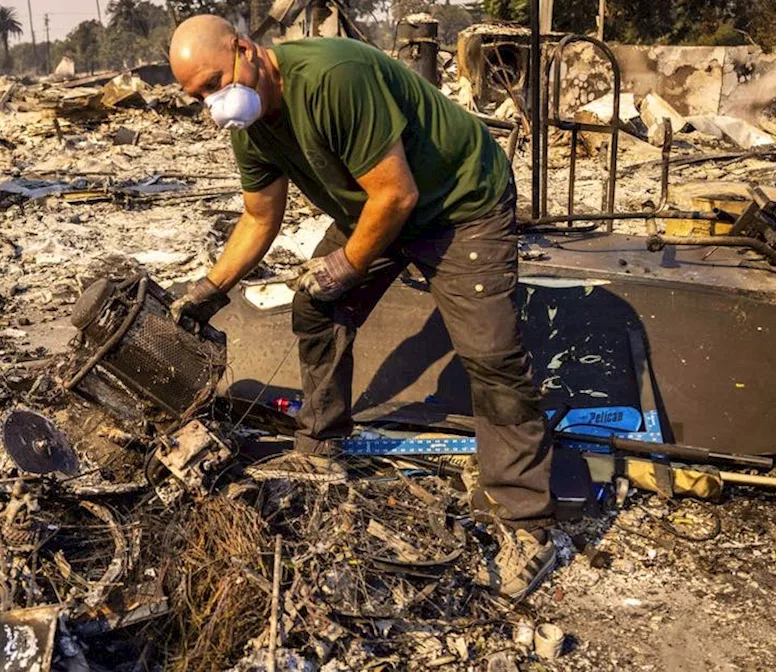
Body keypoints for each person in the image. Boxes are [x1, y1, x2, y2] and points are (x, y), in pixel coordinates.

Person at [167, 15, 555, 599]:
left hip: (459, 202)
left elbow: (398, 193)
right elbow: (259, 217)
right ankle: (322, 447)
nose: (214, 102)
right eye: (198, 96)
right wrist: (209, 289)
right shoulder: (251, 128)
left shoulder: (333, 76)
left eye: (216, 82)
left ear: (247, 50)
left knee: (490, 356)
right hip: (379, 209)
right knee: (315, 307)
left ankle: (526, 523)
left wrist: (346, 266)